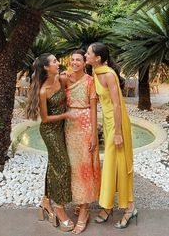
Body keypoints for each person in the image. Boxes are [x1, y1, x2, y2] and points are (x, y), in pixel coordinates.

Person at [85, 42, 138, 229]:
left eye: (88, 53)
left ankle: (129, 208)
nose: (86, 54)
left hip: (117, 125)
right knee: (110, 164)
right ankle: (107, 207)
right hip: (108, 124)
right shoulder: (96, 72)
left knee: (119, 165)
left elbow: (117, 104)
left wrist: (117, 133)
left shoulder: (108, 74)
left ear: (97, 58)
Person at [26, 53, 75, 232]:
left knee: (53, 165)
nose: (58, 63)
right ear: (46, 67)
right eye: (54, 61)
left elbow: (72, 81)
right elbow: (45, 119)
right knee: (62, 166)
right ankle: (59, 208)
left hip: (62, 129)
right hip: (50, 131)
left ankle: (45, 202)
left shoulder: (59, 79)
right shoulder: (43, 91)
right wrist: (67, 115)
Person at [61, 49, 101, 234]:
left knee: (84, 167)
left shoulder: (90, 81)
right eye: (73, 60)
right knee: (73, 166)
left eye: (79, 59)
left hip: (85, 126)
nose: (75, 62)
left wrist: (94, 134)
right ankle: (78, 200)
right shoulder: (65, 79)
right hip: (69, 127)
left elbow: (94, 109)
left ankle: (84, 211)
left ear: (84, 62)